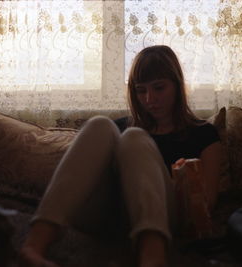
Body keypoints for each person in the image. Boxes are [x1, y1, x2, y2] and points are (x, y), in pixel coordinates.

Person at [19, 45, 222, 267]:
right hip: (106, 214)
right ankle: (34, 245)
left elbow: (207, 203)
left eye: (159, 88)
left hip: (163, 216)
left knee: (135, 137)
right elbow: (79, 175)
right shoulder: (118, 129)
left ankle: (153, 254)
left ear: (177, 85)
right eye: (141, 90)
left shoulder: (204, 134)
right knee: (100, 124)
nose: (149, 99)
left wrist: (179, 182)